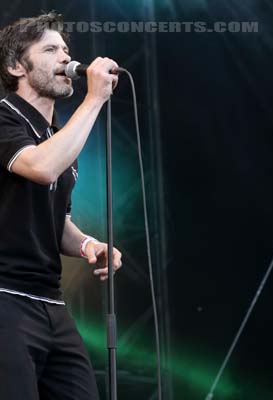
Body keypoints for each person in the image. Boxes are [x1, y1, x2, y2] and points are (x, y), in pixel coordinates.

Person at [0, 12, 123, 399]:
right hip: (5, 297)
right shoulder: (4, 117)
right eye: (50, 49)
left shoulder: (58, 137)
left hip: (51, 302)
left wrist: (88, 244)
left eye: (65, 49)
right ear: (15, 66)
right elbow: (39, 167)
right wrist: (95, 98)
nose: (64, 58)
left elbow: (56, 219)